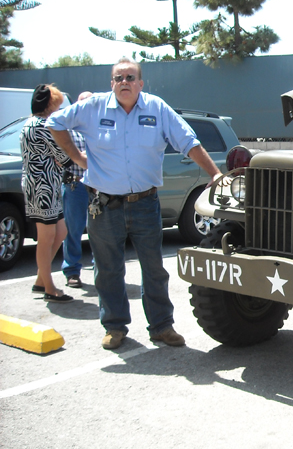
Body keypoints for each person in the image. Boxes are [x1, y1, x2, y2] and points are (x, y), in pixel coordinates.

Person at [48, 57, 222, 350]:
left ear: (141, 83)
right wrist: (76, 157)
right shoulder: (93, 107)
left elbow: (188, 140)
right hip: (104, 205)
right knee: (108, 269)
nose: (124, 82)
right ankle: (115, 328)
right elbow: (55, 122)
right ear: (111, 83)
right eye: (119, 78)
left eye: (130, 77)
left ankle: (162, 327)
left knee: (154, 268)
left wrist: (215, 173)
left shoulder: (156, 108)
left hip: (145, 204)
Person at [20, 84, 75, 303]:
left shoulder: (28, 123)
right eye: (57, 104)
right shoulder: (43, 126)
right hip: (42, 186)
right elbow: (64, 156)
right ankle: (49, 287)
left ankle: (41, 279)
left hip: (43, 185)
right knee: (46, 238)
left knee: (60, 231)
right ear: (49, 104)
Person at [60, 92, 93, 289]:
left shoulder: (100, 128)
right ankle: (72, 271)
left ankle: (102, 270)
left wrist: (77, 155)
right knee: (73, 230)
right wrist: (79, 156)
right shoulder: (68, 128)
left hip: (98, 185)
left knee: (101, 231)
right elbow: (62, 155)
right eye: (83, 104)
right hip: (75, 184)